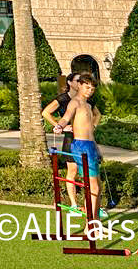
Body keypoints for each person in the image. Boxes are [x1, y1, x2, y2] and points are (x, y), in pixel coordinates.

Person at [54, 73, 104, 219]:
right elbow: (66, 117)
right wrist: (59, 126)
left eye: (92, 89)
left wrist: (97, 148)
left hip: (90, 145)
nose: (89, 90)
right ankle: (90, 225)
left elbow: (90, 131)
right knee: (92, 186)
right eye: (87, 87)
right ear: (80, 85)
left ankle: (96, 222)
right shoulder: (74, 102)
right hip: (80, 146)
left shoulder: (88, 105)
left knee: (97, 186)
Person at [42, 72, 83, 211]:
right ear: (70, 83)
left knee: (89, 171)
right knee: (73, 170)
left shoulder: (85, 99)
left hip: (85, 139)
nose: (81, 83)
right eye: (78, 81)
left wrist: (93, 125)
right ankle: (74, 205)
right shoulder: (63, 99)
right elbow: (45, 112)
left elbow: (97, 114)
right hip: (70, 139)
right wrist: (60, 126)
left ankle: (91, 205)